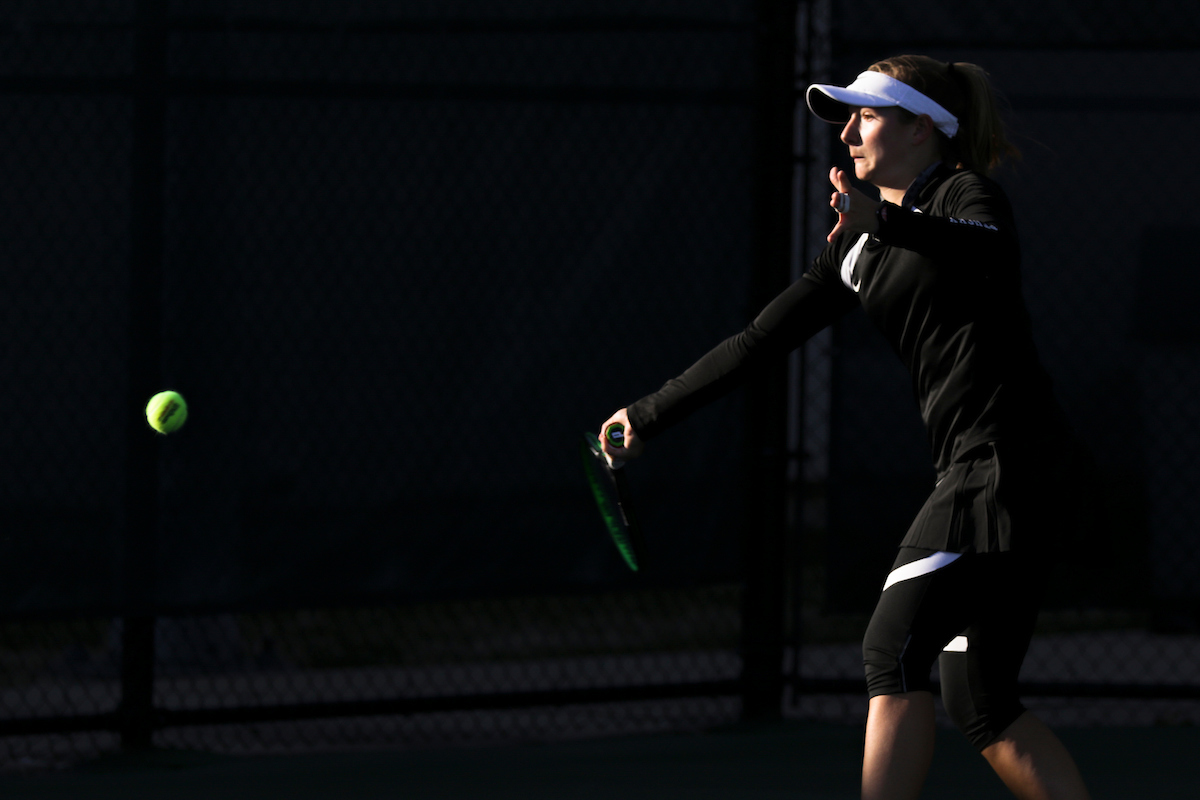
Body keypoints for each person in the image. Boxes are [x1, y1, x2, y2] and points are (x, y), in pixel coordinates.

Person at [598, 55, 1092, 800]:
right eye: (847, 117)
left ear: (922, 127)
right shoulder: (856, 248)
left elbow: (984, 247)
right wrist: (647, 413)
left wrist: (887, 220)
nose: (849, 133)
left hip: (1004, 465)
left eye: (867, 114)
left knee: (890, 652)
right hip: (991, 469)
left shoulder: (964, 195)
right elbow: (757, 343)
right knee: (980, 702)